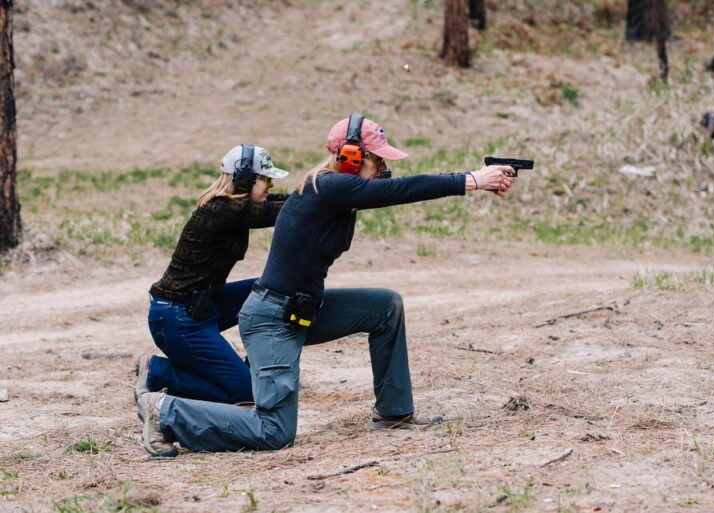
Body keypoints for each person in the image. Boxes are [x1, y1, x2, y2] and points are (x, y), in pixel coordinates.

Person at [135, 115, 515, 457]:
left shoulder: (335, 194)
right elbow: (401, 191)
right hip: (272, 320)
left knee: (385, 306)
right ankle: (165, 411)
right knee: (275, 432)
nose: (383, 168)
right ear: (349, 156)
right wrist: (472, 181)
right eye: (377, 160)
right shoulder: (329, 185)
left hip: (302, 310)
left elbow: (389, 189)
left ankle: (394, 412)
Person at [135, 145, 289, 408]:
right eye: (266, 179)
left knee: (270, 290)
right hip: (179, 318)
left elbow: (289, 202)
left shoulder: (231, 207)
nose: (270, 186)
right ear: (244, 179)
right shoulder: (225, 210)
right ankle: (157, 372)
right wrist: (327, 197)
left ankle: (252, 367)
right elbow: (289, 210)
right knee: (247, 394)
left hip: (201, 307)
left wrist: (324, 194)